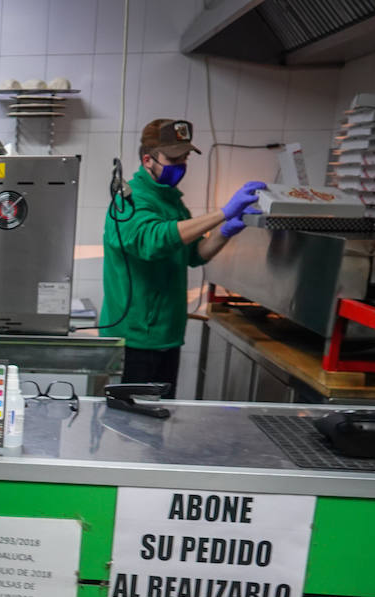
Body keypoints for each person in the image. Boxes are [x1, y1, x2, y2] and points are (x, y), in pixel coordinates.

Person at [101, 118, 265, 394]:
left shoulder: (172, 201)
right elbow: (152, 241)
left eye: (185, 158)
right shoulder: (129, 201)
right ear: (148, 160)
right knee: (128, 429)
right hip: (134, 340)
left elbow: (195, 254)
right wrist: (221, 213)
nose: (180, 166)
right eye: (173, 159)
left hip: (167, 335)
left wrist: (225, 231)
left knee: (158, 422)